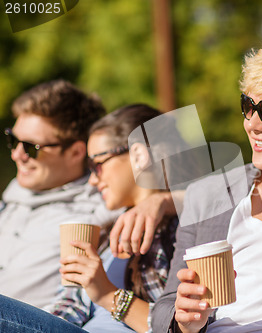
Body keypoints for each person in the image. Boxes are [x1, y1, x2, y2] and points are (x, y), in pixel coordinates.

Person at [150, 40, 262, 333]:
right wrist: (185, 319)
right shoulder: (208, 194)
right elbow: (165, 306)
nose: (253, 124)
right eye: (248, 106)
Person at [46, 104, 184, 332]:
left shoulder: (178, 229)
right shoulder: (107, 230)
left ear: (138, 155)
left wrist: (108, 294)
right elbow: (71, 307)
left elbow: (179, 326)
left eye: (96, 165)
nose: (92, 180)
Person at [0, 79, 117, 308]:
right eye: (12, 140)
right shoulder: (10, 201)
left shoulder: (96, 208)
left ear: (75, 152)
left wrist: (159, 202)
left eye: (31, 147)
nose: (16, 155)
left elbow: (191, 198)